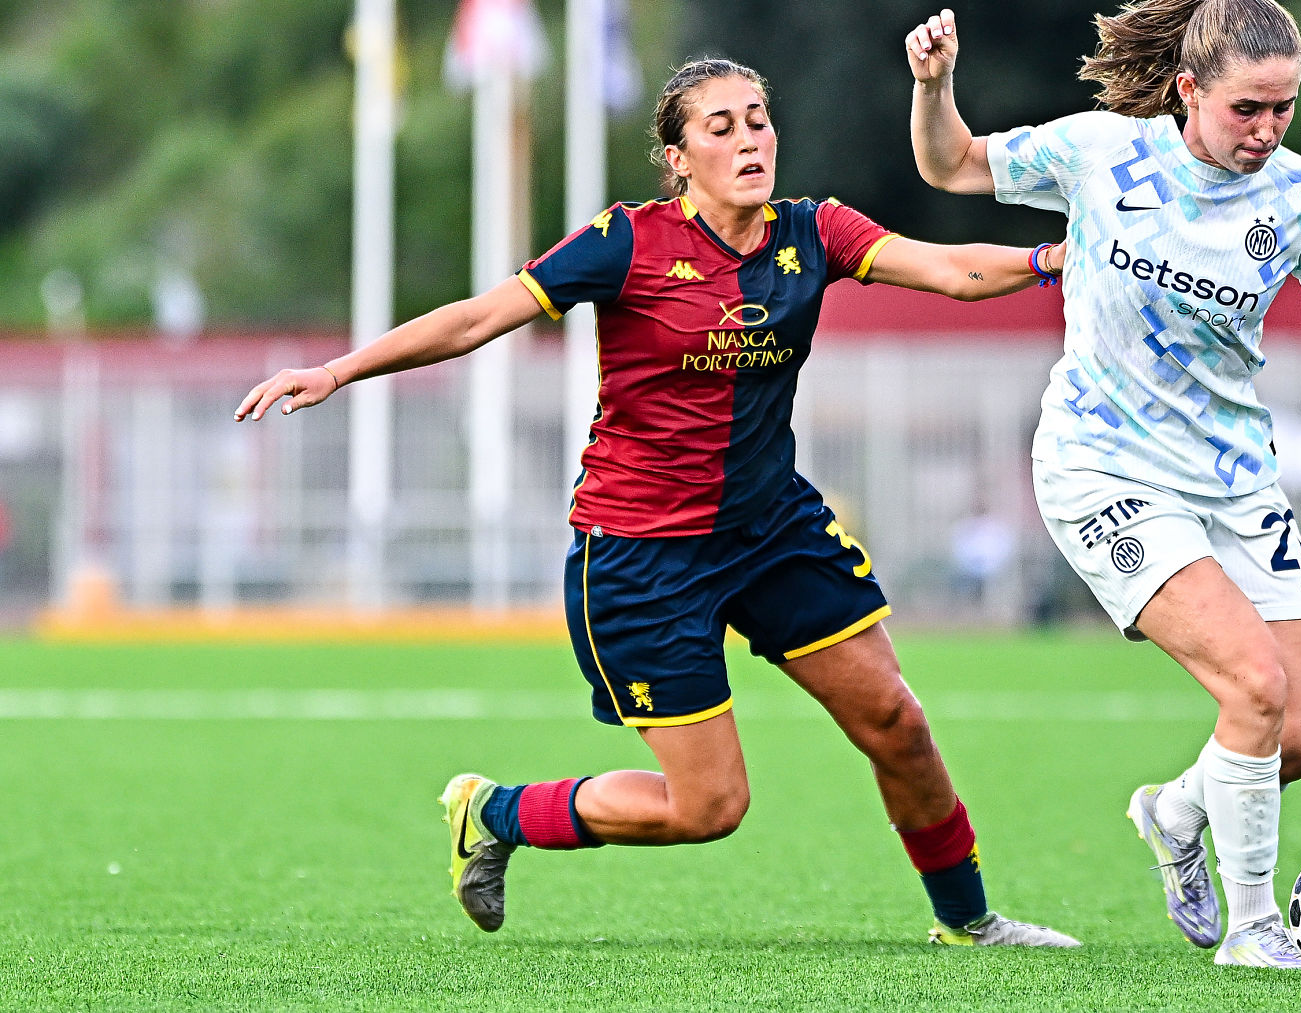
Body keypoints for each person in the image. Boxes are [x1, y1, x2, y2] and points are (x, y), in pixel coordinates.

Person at [235, 59, 1078, 949]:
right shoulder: (625, 242)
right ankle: (496, 811)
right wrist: (338, 370)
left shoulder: (815, 231)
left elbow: (948, 270)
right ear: (678, 158)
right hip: (643, 553)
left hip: (773, 530)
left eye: (758, 119)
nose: (749, 140)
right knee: (709, 806)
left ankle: (968, 921)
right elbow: (479, 319)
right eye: (721, 127)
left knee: (897, 722)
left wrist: (1050, 259)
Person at [903, 0, 1301, 970]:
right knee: (1252, 684)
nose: (1266, 130)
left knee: (1298, 734)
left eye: (1284, 107)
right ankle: (1252, 930)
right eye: (1247, 108)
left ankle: (1175, 811)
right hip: (1105, 466)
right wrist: (934, 87)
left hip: (1235, 479)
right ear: (1189, 90)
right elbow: (951, 164)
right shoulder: (1101, 152)